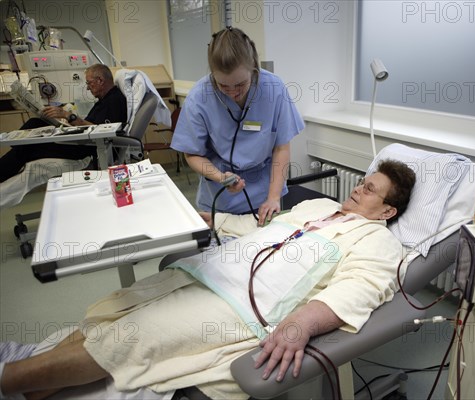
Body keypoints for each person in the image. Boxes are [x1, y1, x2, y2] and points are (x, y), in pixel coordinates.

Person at [0, 159, 416, 400]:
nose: (359, 189)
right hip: (212, 270)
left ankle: (11, 379)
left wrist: (299, 325)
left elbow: (357, 289)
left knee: (131, 335)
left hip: (240, 306)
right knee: (117, 307)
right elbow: (259, 226)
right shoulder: (318, 206)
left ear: (387, 211)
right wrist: (208, 219)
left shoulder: (378, 242)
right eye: (362, 182)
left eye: (370, 189)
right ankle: (34, 369)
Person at [171, 27, 304, 226]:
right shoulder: (199, 97)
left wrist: (274, 197)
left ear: (254, 69)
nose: (233, 93)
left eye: (241, 84)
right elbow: (191, 154)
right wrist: (220, 177)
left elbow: (281, 147)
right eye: (223, 86)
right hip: (220, 196)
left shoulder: (274, 89)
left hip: (265, 196)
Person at [0, 64, 128, 183]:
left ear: (100, 80)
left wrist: (67, 115)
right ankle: (14, 144)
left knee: (28, 148)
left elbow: (101, 130)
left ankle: (10, 154)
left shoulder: (114, 101)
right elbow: (92, 124)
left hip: (86, 148)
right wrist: (64, 121)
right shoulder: (104, 99)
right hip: (82, 141)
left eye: (89, 83)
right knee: (35, 123)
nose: (88, 87)